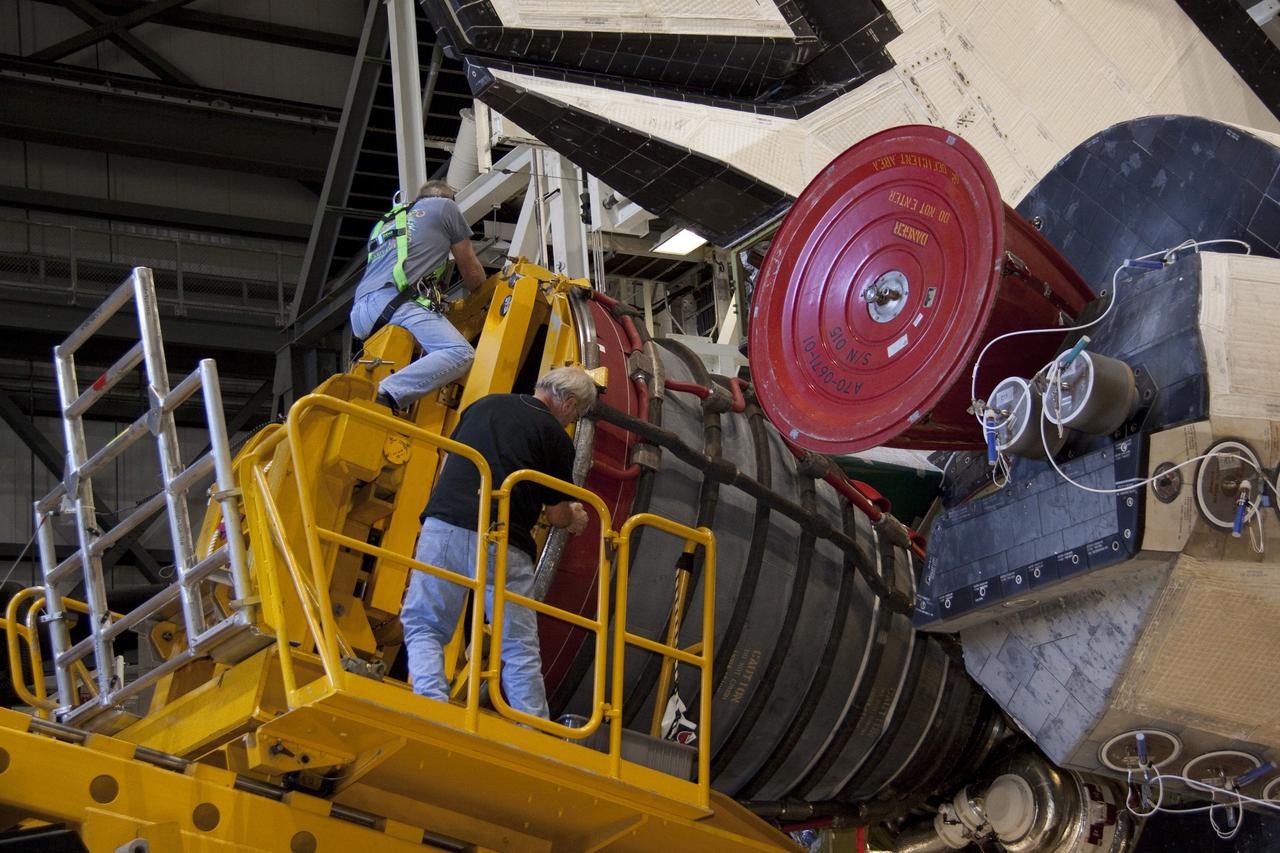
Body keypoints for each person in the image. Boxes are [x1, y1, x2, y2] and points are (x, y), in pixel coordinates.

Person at [400, 367, 598, 718]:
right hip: (505, 542)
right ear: (567, 402)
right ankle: (532, 727)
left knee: (425, 623)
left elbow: (449, 461)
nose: (573, 422)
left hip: (445, 524)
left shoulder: (484, 405)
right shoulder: (555, 437)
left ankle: (430, 705)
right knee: (518, 645)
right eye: (577, 414)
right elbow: (556, 514)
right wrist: (575, 518)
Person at [349, 180, 489, 411]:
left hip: (362, 313)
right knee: (459, 353)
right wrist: (485, 295)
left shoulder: (389, 221)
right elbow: (471, 271)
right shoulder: (446, 207)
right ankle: (389, 391)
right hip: (395, 302)